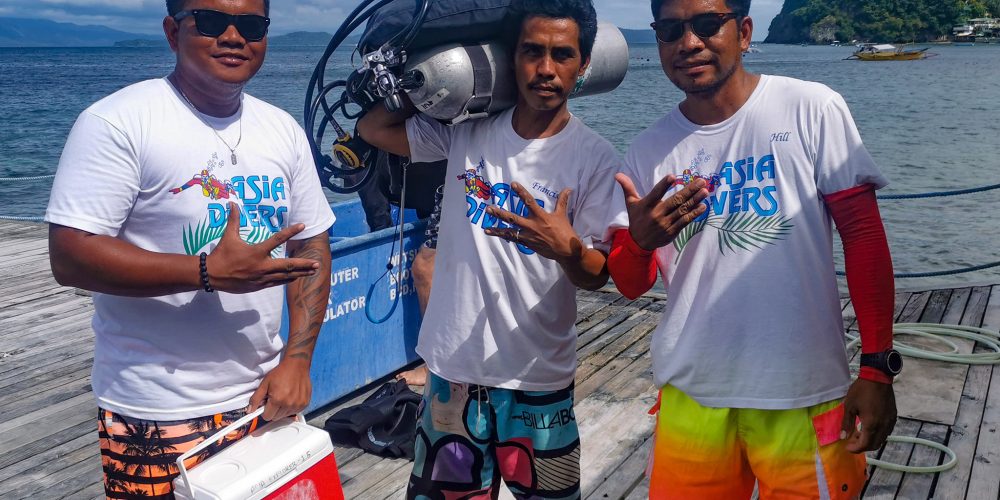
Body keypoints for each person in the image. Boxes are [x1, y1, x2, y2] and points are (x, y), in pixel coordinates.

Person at [606, 0, 899, 498]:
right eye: (671, 30)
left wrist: (876, 368)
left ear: (743, 32)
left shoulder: (812, 108)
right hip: (690, 395)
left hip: (803, 391)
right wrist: (639, 242)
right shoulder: (648, 151)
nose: (689, 43)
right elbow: (632, 285)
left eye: (706, 25)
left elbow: (863, 236)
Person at [44, 0, 335, 497]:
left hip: (265, 397)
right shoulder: (118, 122)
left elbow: (312, 243)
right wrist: (205, 271)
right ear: (172, 32)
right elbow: (70, 254)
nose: (233, 36)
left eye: (251, 25)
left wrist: (297, 360)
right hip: (156, 408)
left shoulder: (282, 129)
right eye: (211, 21)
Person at [357, 0, 620, 497]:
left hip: (538, 380)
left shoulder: (596, 158)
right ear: (510, 56)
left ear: (583, 64)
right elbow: (373, 130)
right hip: (452, 372)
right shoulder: (465, 132)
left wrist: (568, 251)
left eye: (562, 55)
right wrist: (418, 81)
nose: (546, 69)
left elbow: (598, 274)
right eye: (532, 52)